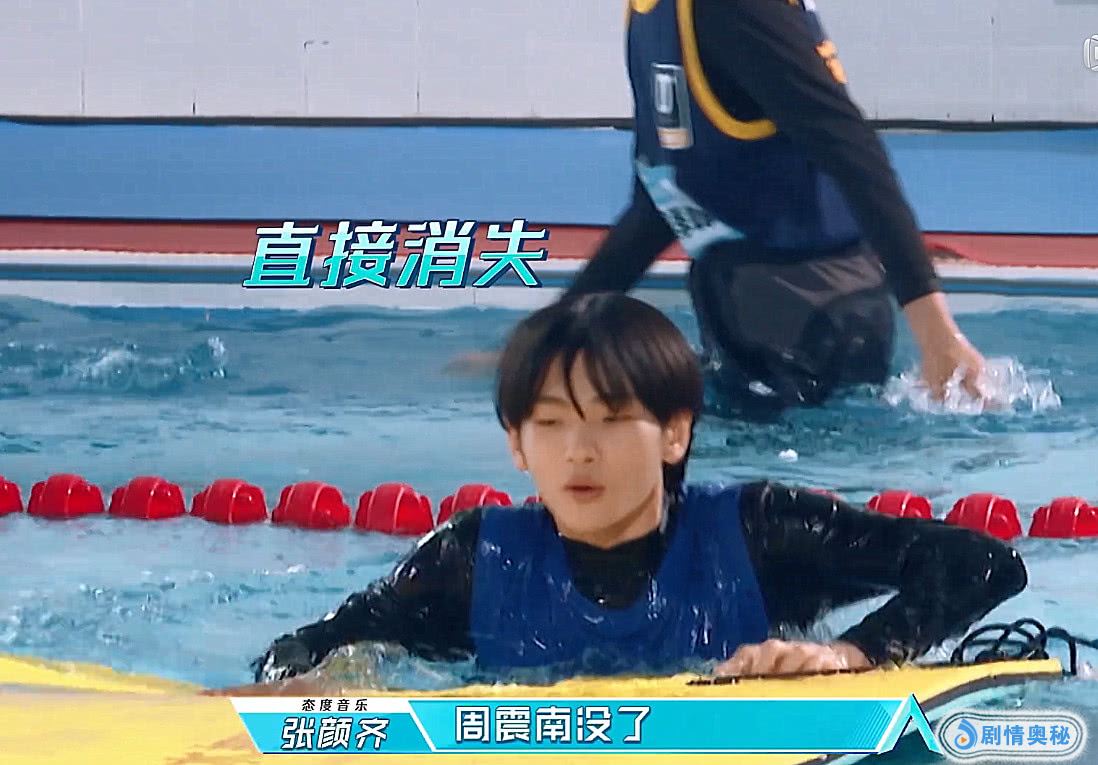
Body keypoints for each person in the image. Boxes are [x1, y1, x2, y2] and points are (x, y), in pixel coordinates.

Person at [238, 294, 1023, 692]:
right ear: (517, 444)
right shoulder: (475, 560)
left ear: (675, 432)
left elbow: (982, 562)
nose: (579, 450)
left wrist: (850, 653)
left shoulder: (757, 533)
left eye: (612, 420)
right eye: (551, 423)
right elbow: (302, 649)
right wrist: (320, 678)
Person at [452, 0, 986, 416]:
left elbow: (849, 146)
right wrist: (549, 338)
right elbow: (659, 201)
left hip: (813, 317)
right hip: (752, 309)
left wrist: (935, 332)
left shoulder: (730, 7)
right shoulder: (655, 12)